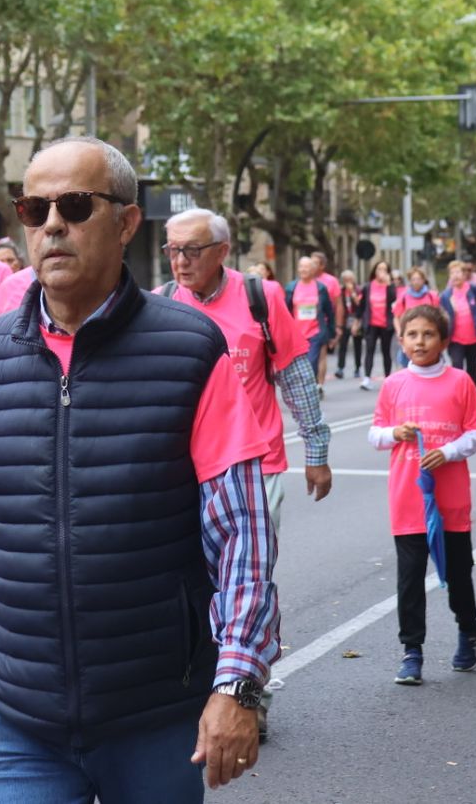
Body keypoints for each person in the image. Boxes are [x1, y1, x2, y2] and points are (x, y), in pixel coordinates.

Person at [0, 137, 278, 800]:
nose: (53, 223)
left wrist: (236, 681)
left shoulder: (191, 349)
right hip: (18, 712)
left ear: (125, 222)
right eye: (35, 208)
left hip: (153, 709)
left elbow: (242, 534)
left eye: (76, 204)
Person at [157, 207, 332, 742]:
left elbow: (296, 377)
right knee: (194, 582)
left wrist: (317, 449)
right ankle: (202, 684)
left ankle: (251, 692)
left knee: (247, 583)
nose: (181, 261)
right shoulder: (162, 303)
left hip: (258, 465)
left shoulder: (262, 298)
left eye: (192, 250)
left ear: (223, 251)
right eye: (172, 250)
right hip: (187, 469)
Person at [367, 303, 476, 686]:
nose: (420, 342)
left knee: (457, 575)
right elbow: (374, 434)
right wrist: (394, 434)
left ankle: (468, 629)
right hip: (407, 498)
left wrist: (449, 451)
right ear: (401, 340)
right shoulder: (393, 384)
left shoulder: (460, 382)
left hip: (450, 500)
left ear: (444, 340)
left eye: (428, 334)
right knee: (409, 579)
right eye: (412, 335)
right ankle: (412, 651)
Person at [438, 260, 476, 384]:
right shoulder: (446, 296)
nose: (456, 275)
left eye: (458, 272)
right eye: (452, 273)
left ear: (464, 275)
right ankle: (459, 397)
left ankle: (472, 396)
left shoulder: (475, 290)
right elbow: (441, 316)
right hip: (455, 339)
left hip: (475, 337)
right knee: (457, 368)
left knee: (472, 368)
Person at [287, 256, 336, 383]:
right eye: (301, 266)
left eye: (307, 267)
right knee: (297, 363)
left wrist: (332, 332)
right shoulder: (291, 287)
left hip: (316, 332)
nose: (304, 270)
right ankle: (308, 385)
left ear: (313, 270)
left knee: (312, 361)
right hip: (297, 333)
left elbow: (329, 311)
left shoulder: (320, 288)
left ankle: (312, 386)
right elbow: (286, 311)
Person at [359, 259, 397, 390]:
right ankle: (367, 378)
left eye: (384, 270)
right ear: (374, 271)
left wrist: (388, 284)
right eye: (379, 269)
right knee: (369, 350)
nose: (381, 272)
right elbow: (362, 305)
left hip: (386, 324)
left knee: (386, 351)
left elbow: (395, 301)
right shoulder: (368, 287)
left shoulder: (390, 286)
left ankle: (388, 378)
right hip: (371, 324)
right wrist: (358, 321)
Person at [393, 267, 435, 368]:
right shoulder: (404, 296)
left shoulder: (431, 296)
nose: (416, 282)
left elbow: (438, 316)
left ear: (424, 280)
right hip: (410, 335)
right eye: (413, 279)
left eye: (418, 279)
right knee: (407, 363)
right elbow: (396, 317)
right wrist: (400, 332)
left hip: (427, 335)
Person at [311, 251, 342, 386]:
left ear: (322, 266)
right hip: (304, 325)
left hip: (323, 323)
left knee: (321, 354)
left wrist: (338, 326)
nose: (311, 265)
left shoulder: (331, 281)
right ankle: (311, 383)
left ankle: (320, 385)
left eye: (315, 263)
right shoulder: (303, 281)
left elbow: (338, 305)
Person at [335, 269, 363, 380]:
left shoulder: (358, 290)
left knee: (357, 345)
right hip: (345, 320)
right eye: (346, 280)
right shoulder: (341, 291)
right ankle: (340, 368)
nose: (348, 282)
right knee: (343, 345)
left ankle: (357, 368)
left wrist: (352, 293)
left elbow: (359, 303)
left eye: (350, 279)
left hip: (356, 320)